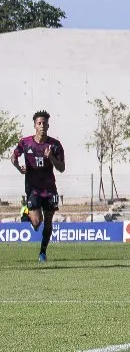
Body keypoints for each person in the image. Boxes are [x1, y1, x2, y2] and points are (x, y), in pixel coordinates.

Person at [11, 110, 66, 262]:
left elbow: (61, 168)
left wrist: (52, 158)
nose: (42, 126)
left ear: (48, 125)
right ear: (35, 125)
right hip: (33, 188)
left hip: (49, 188)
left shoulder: (55, 145)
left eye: (44, 123)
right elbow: (13, 157)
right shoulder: (25, 142)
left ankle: (43, 252)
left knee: (48, 223)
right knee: (36, 223)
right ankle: (26, 213)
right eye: (39, 123)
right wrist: (17, 166)